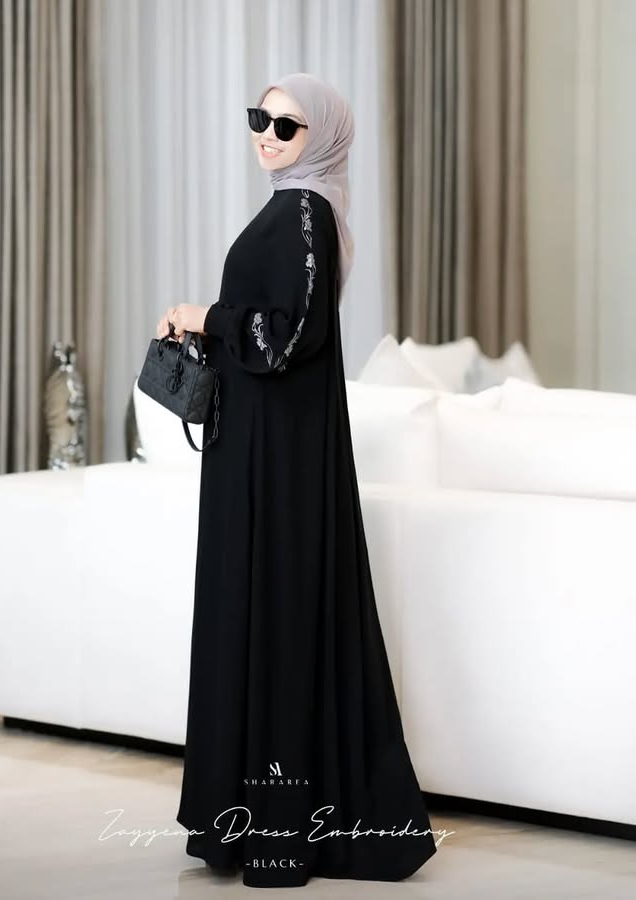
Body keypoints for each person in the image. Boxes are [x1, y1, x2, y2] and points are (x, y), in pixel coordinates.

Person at [156, 72, 438, 889]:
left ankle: (278, 835)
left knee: (272, 614)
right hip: (258, 449)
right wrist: (211, 330)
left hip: (276, 462)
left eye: (287, 125)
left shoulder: (307, 210)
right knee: (258, 611)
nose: (267, 135)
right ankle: (253, 826)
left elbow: (287, 338)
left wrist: (204, 317)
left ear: (324, 137)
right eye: (260, 118)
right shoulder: (292, 208)